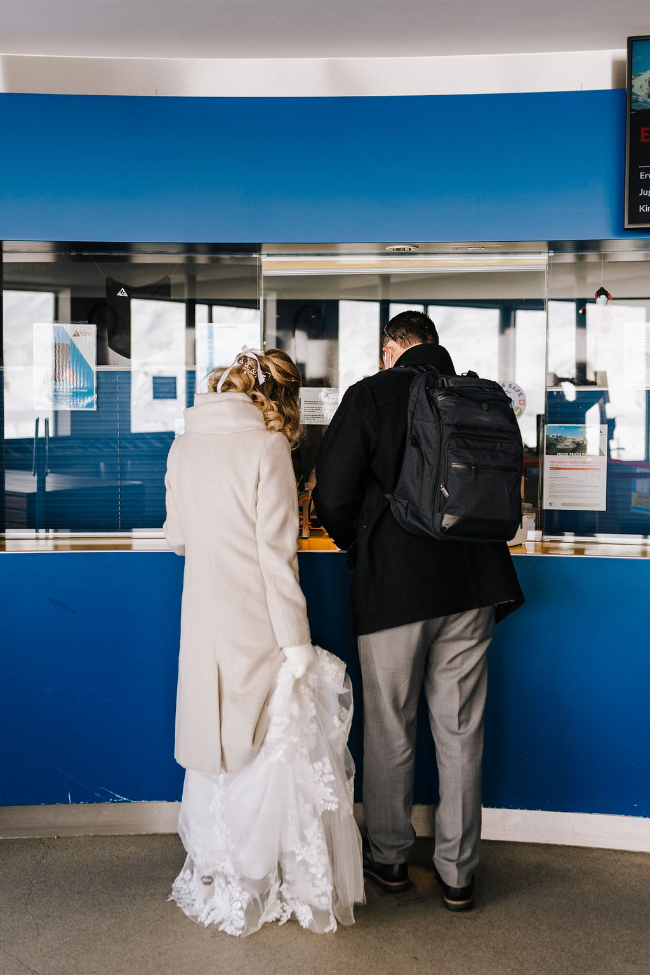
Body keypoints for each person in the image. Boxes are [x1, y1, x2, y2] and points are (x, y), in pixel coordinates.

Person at [313, 311, 524, 912]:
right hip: (476, 584)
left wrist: (360, 544)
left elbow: (332, 493)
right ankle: (459, 874)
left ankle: (389, 859)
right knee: (460, 730)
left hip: (397, 592)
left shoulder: (372, 394)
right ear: (435, 347)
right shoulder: (484, 396)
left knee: (390, 725)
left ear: (390, 351)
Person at [163, 347, 364, 937]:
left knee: (216, 747)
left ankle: (219, 873)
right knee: (261, 751)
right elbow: (277, 558)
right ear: (277, 402)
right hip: (256, 615)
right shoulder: (267, 448)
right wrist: (297, 644)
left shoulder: (183, 445)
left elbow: (176, 538)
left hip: (202, 615)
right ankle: (255, 876)